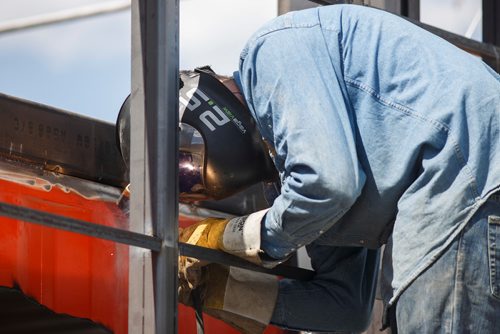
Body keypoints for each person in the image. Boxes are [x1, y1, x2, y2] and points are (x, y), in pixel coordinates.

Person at [173, 4, 500, 333]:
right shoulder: (295, 177)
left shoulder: (271, 51)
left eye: (187, 167)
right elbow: (345, 307)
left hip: (469, 179)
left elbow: (329, 185)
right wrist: (222, 289)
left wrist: (233, 236)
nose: (195, 180)